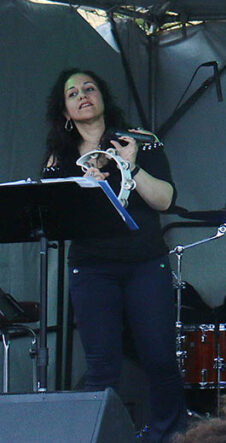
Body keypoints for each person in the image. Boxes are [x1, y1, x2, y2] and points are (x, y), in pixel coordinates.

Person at [43, 68, 185, 441]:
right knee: (102, 366)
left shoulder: (140, 141)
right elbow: (55, 222)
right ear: (65, 111)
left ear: (103, 97)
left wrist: (131, 165)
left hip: (145, 262)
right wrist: (84, 188)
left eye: (89, 88)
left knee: (160, 359)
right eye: (73, 93)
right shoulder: (59, 158)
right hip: (92, 269)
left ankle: (169, 436)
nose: (82, 95)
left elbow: (165, 201)